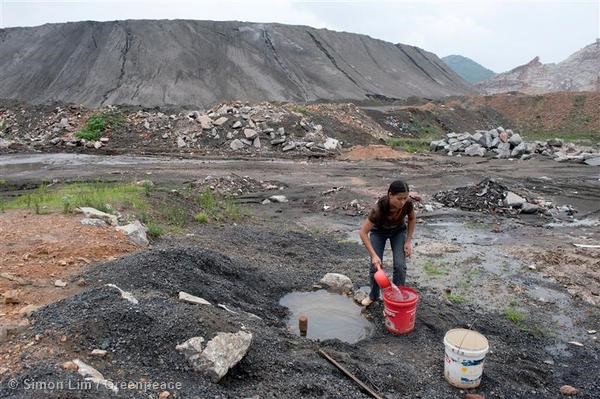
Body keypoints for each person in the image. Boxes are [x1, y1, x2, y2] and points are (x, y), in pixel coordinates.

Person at [358, 180, 418, 307]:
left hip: (398, 231)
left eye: (405, 198)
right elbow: (363, 232)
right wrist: (373, 255)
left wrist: (408, 241)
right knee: (375, 266)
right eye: (399, 198)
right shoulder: (379, 209)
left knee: (400, 266)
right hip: (379, 232)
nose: (402, 202)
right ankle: (373, 296)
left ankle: (397, 298)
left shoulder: (407, 204)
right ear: (390, 195)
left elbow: (412, 218)